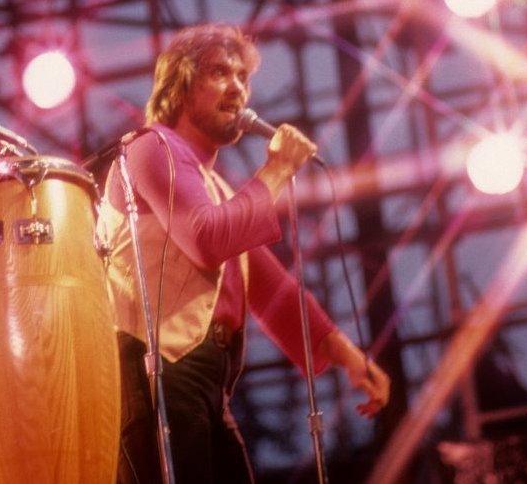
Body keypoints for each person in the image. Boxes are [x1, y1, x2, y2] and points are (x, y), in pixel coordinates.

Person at [100, 24, 392, 483]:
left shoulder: (214, 186)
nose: (237, 87)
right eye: (220, 72)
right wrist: (276, 171)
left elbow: (271, 288)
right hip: (155, 371)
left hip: (204, 381)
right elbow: (205, 239)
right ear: (180, 86)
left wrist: (346, 353)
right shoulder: (150, 147)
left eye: (243, 76)